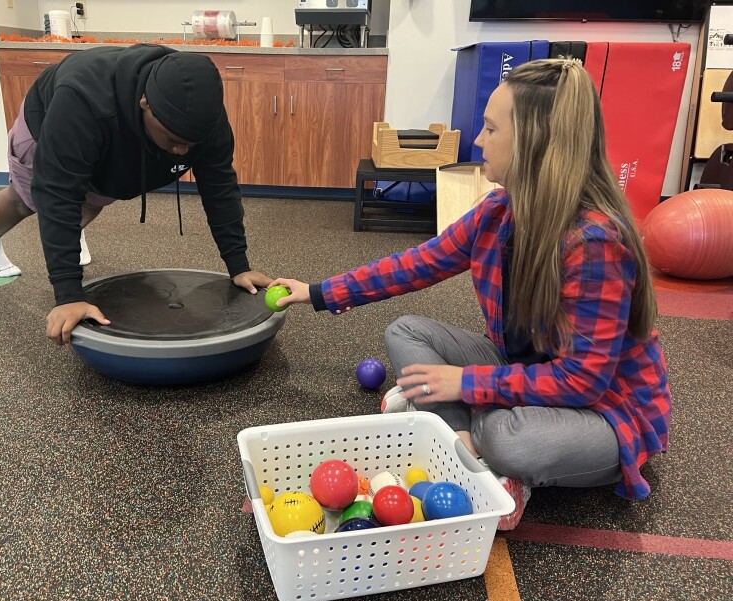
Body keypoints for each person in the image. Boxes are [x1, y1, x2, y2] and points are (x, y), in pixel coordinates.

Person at [269, 58, 671, 530]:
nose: (478, 140)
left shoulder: (593, 243)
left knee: (511, 439)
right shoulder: (500, 210)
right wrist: (317, 292)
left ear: (534, 143)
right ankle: (470, 453)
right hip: (526, 375)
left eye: (490, 128)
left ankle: (471, 439)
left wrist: (465, 385)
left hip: (603, 414)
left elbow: (584, 383)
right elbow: (414, 264)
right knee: (407, 332)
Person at [0, 44, 271, 345]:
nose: (182, 152)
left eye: (191, 145)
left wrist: (239, 265)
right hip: (50, 123)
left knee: (91, 201)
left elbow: (219, 186)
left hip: (111, 132)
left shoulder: (206, 120)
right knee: (27, 202)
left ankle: (69, 235)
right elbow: (57, 192)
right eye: (174, 140)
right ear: (145, 103)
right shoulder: (84, 100)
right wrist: (68, 294)